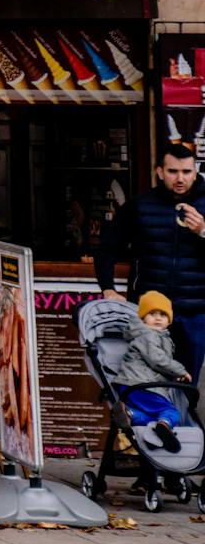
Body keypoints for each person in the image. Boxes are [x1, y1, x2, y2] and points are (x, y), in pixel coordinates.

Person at [99, 140, 205, 377]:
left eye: (186, 172)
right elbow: (106, 249)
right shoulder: (140, 205)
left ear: (195, 171)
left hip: (195, 312)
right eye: (173, 171)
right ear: (160, 172)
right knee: (147, 380)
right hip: (149, 313)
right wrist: (107, 288)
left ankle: (183, 415)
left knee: (188, 380)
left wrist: (202, 232)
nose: (180, 178)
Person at [118, 291, 192, 452]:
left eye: (163, 315)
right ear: (143, 317)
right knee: (170, 411)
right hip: (143, 386)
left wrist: (170, 375)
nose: (158, 318)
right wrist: (179, 371)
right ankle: (164, 425)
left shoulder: (156, 336)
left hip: (134, 386)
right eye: (152, 313)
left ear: (169, 320)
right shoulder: (147, 335)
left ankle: (130, 414)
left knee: (149, 417)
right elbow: (157, 359)